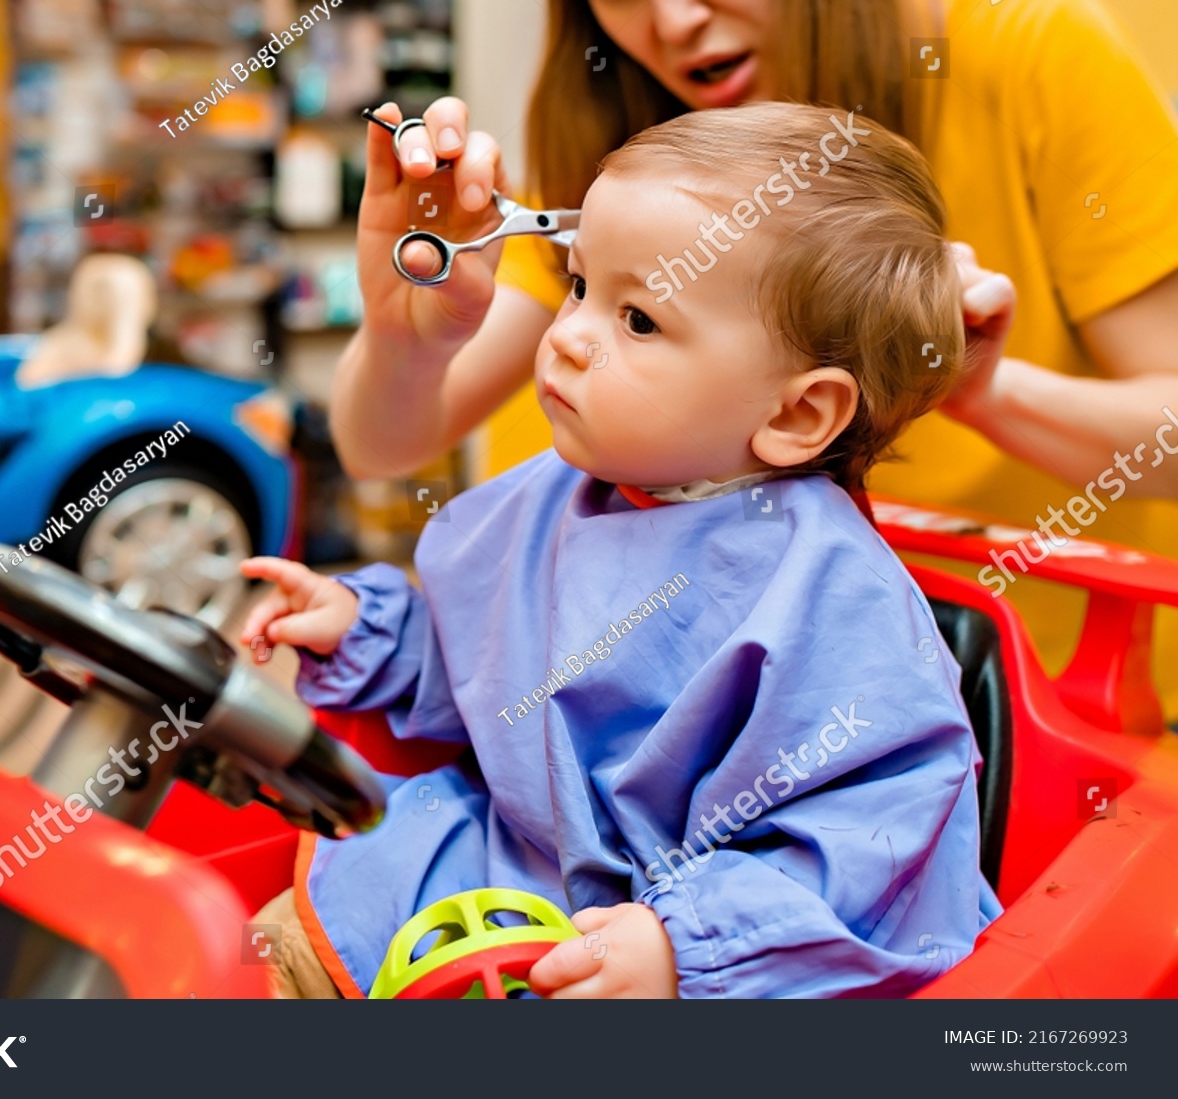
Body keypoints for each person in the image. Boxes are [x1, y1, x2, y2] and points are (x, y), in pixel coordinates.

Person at [243, 103, 999, 999]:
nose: (565, 334)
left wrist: (686, 949)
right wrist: (369, 633)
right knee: (254, 950)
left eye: (637, 320)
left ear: (796, 414)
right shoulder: (557, 492)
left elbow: (866, 840)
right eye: (577, 285)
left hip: (685, 965)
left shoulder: (831, 599)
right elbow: (485, 665)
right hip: (500, 874)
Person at [329, 0, 1178, 710]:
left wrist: (981, 392)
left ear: (805, 410)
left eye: (643, 318)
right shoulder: (632, 138)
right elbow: (383, 445)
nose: (676, 20)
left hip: (1047, 721)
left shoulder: (1031, 50)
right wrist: (408, 336)